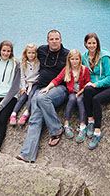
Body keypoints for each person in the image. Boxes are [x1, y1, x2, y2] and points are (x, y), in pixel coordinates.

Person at [15, 29, 69, 162]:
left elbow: (79, 67)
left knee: (40, 97)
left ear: (61, 40)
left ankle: (56, 129)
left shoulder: (67, 55)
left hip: (59, 89)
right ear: (47, 40)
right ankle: (27, 155)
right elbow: (27, 56)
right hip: (41, 88)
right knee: (34, 118)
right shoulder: (42, 50)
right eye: (51, 39)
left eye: (57, 39)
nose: (54, 41)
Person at [40, 48, 91, 143]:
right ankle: (66, 124)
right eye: (72, 59)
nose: (75, 61)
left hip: (82, 92)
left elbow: (88, 83)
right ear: (69, 60)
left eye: (77, 59)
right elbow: (57, 80)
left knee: (80, 101)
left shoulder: (84, 70)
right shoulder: (67, 70)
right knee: (71, 99)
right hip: (72, 92)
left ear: (80, 59)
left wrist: (79, 93)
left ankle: (83, 126)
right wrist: (47, 88)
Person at [81, 33, 110, 149]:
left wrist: (96, 84)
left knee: (96, 99)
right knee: (87, 91)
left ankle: (97, 131)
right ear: (85, 44)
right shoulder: (84, 58)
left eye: (94, 43)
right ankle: (90, 120)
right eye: (89, 43)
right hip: (96, 86)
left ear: (97, 44)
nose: (92, 45)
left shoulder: (104, 57)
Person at [10, 43, 40, 125]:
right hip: (27, 84)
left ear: (36, 53)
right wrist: (23, 88)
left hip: (35, 83)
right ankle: (13, 114)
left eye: (33, 53)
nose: (31, 55)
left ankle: (26, 113)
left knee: (31, 95)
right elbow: (22, 77)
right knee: (22, 97)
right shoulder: (23, 63)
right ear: (26, 53)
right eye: (29, 53)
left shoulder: (38, 63)